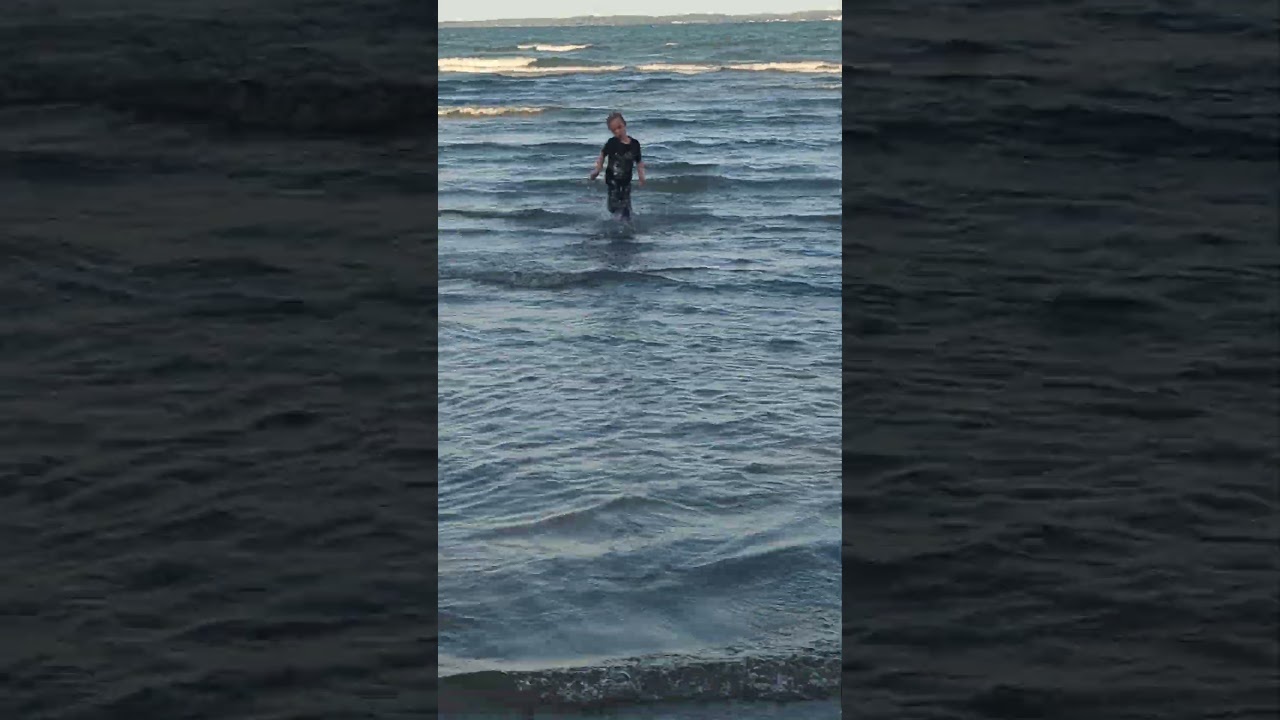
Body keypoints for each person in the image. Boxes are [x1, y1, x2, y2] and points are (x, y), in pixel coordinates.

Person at [589, 111, 645, 221]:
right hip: (612, 180)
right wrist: (597, 169)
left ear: (625, 124)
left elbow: (639, 162)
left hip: (626, 181)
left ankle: (625, 220)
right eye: (614, 130)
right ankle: (616, 218)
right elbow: (603, 154)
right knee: (613, 205)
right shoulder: (612, 143)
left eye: (619, 127)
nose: (618, 131)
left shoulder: (635, 144)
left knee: (626, 204)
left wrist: (641, 177)